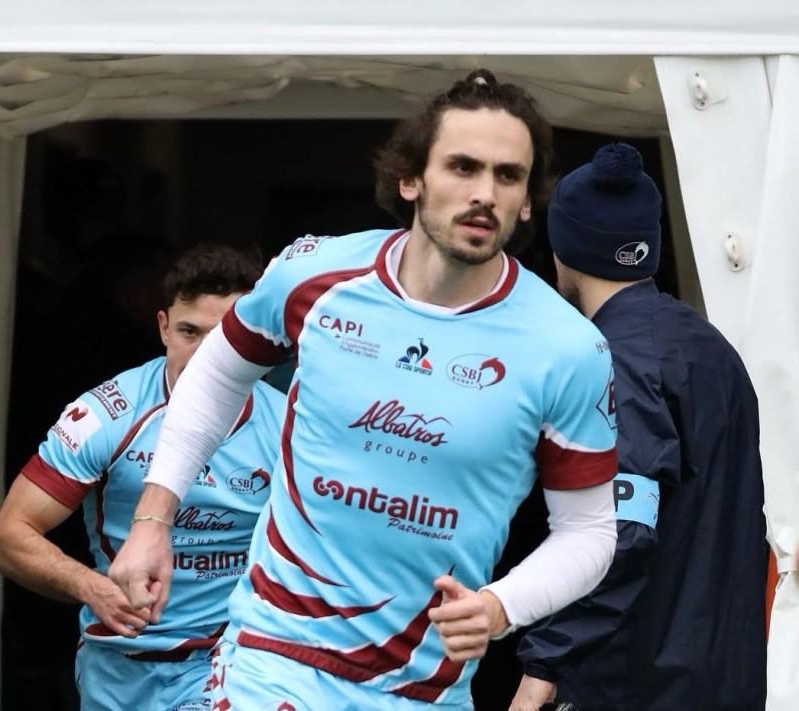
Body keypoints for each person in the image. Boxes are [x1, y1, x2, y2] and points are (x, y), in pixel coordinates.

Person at [108, 69, 620, 710]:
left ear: (526, 202)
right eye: (462, 167)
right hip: (274, 655)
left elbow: (590, 531)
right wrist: (153, 520)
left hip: (421, 685)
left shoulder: (567, 348)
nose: (484, 193)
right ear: (411, 179)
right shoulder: (315, 276)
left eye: (508, 175)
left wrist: (501, 606)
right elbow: (217, 373)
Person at [510, 143, 767, 711]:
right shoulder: (713, 348)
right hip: (726, 680)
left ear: (564, 252)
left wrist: (544, 665)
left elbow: (618, 532)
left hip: (636, 685)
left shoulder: (614, 361)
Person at [0, 243, 285, 711]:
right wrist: (90, 587)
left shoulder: (289, 426)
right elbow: (8, 536)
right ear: (163, 327)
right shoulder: (107, 413)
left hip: (230, 662)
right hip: (117, 663)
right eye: (189, 332)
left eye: (224, 337)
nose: (205, 356)